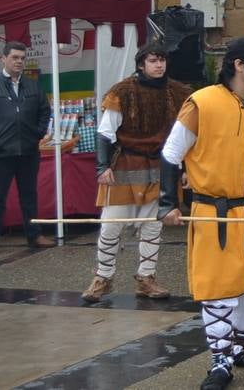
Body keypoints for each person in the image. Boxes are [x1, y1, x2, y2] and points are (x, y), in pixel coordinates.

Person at [159, 37, 244, 390]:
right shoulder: (201, 103)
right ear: (238, 65)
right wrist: (166, 203)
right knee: (220, 286)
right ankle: (220, 360)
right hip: (216, 210)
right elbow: (171, 155)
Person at [82, 41, 194, 303]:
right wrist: (102, 166)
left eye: (162, 60)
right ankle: (102, 277)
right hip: (126, 165)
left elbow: (185, 136)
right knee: (111, 227)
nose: (159, 65)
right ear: (141, 64)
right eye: (153, 60)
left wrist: (186, 168)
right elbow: (105, 132)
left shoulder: (177, 93)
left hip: (160, 167)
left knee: (152, 228)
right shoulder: (122, 92)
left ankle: (146, 278)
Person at [0, 42, 55, 255]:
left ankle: (34, 235)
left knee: (29, 196)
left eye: (22, 58)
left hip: (28, 151)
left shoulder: (33, 86)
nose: (19, 61)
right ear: (3, 59)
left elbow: (45, 111)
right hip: (1, 152)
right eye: (15, 57)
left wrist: (37, 133)